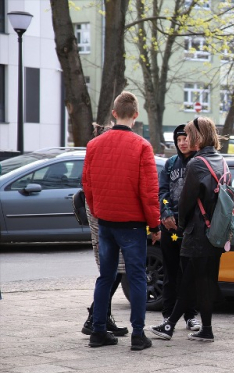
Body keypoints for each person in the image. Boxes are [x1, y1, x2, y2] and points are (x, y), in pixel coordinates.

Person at [82, 91, 160, 351]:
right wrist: (155, 224)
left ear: (114, 114)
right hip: (132, 223)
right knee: (137, 276)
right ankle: (138, 334)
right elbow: (148, 191)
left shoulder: (94, 145)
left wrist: (97, 209)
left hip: (106, 221)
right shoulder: (142, 146)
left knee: (105, 276)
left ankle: (98, 331)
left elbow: (88, 185)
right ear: (135, 116)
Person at [150, 117, 226, 342]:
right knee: (202, 280)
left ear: (199, 137)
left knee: (189, 279)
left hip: (197, 232)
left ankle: (171, 325)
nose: (186, 139)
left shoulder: (197, 163)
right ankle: (204, 329)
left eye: (190, 135)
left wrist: (180, 223)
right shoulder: (219, 159)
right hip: (216, 230)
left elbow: (186, 202)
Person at [80, 123, 128, 338]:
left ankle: (102, 317)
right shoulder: (99, 159)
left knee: (113, 274)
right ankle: (94, 317)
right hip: (104, 226)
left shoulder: (101, 159)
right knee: (112, 274)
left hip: (105, 224)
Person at [158, 124, 200, 331]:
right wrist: (165, 213)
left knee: (189, 274)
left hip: (191, 228)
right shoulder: (170, 164)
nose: (182, 143)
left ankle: (191, 315)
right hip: (169, 227)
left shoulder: (198, 162)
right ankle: (168, 315)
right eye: (179, 139)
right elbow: (162, 192)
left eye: (185, 139)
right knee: (170, 273)